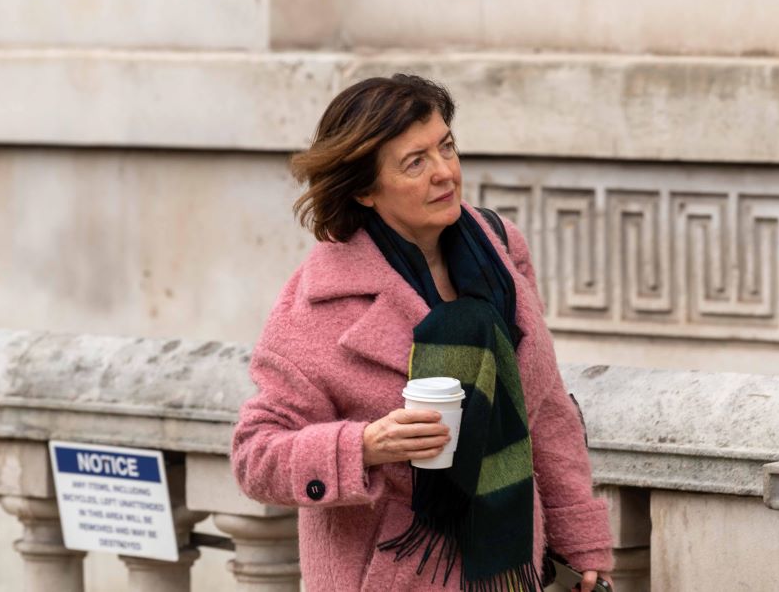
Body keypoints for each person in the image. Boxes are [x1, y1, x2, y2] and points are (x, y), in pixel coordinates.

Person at [231, 74, 614, 591]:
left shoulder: (501, 252)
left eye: (447, 147)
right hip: (396, 575)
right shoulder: (320, 302)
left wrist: (582, 538)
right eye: (416, 162)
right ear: (365, 189)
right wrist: (363, 445)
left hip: (509, 569)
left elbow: (544, 412)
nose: (445, 174)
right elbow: (256, 455)